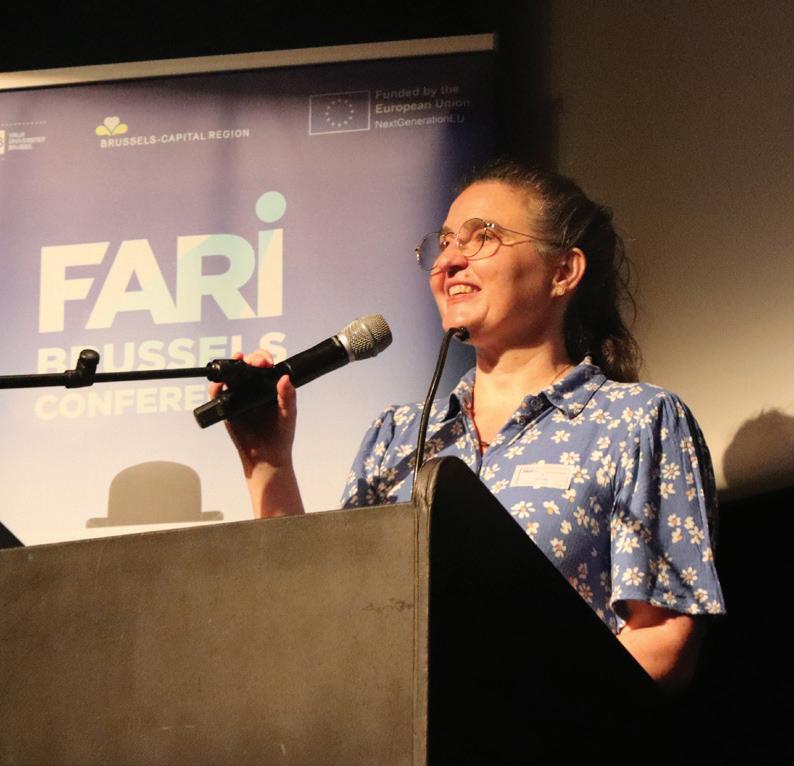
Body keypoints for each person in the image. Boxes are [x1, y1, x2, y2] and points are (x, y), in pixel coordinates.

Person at [212, 159, 725, 691]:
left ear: (563, 272)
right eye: (444, 242)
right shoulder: (396, 435)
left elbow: (662, 640)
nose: (449, 261)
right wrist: (267, 461)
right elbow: (325, 622)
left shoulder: (634, 421)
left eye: (483, 237)